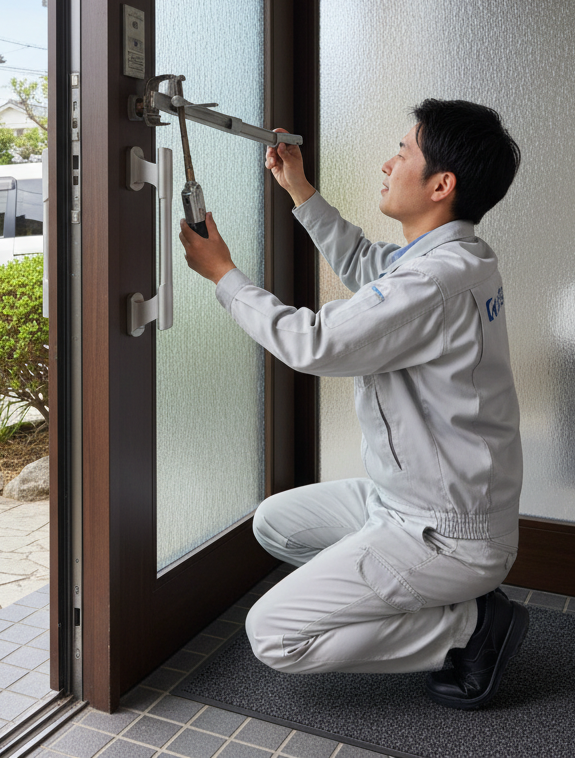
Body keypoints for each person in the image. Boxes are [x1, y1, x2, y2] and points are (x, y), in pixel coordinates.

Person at [179, 99, 524, 710]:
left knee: (274, 636)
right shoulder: (452, 259)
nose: (388, 163)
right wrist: (298, 188)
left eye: (403, 152)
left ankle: (469, 627)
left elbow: (314, 343)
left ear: (441, 185)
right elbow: (368, 264)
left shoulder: (435, 281)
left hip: (445, 532)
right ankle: (428, 595)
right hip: (407, 502)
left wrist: (223, 274)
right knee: (274, 523)